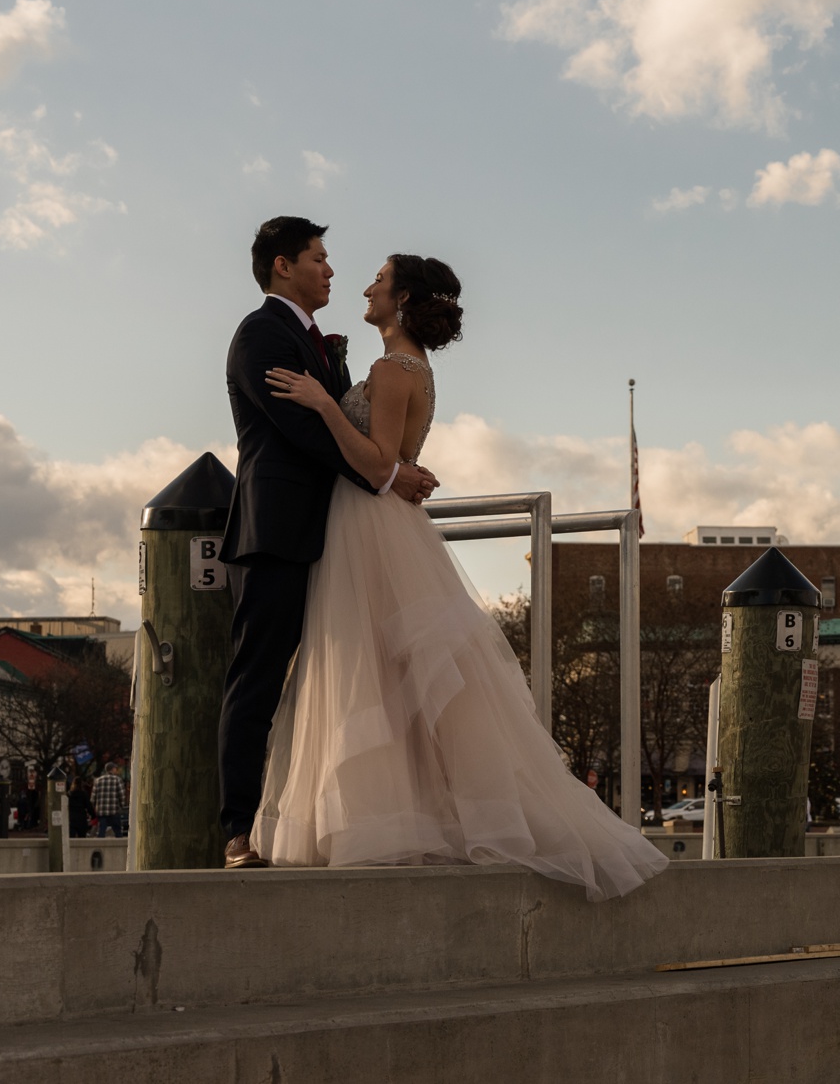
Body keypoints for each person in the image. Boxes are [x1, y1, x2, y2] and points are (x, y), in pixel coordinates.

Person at [254, 251, 668, 901]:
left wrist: (322, 403)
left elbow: (377, 459)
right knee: (399, 679)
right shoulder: (408, 366)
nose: (366, 286)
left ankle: (388, 818)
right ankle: (413, 811)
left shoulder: (395, 368)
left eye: (380, 280)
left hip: (372, 527)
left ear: (403, 299)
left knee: (376, 670)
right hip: (379, 526)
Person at [219, 218, 442, 870]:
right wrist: (387, 472)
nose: (332, 270)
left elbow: (338, 422)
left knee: (350, 679)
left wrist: (379, 464)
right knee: (259, 675)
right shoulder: (261, 333)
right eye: (320, 258)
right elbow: (301, 430)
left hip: (337, 534)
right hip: (279, 530)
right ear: (284, 266)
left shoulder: (322, 345)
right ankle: (239, 829)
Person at [92, 762, 126, 838]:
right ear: (112, 769)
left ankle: (100, 846)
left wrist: (95, 807)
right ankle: (120, 847)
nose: (116, 770)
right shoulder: (117, 780)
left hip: (101, 811)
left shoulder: (98, 780)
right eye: (115, 769)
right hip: (114, 810)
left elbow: (93, 797)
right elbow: (122, 795)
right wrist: (122, 805)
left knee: (102, 830)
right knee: (117, 830)